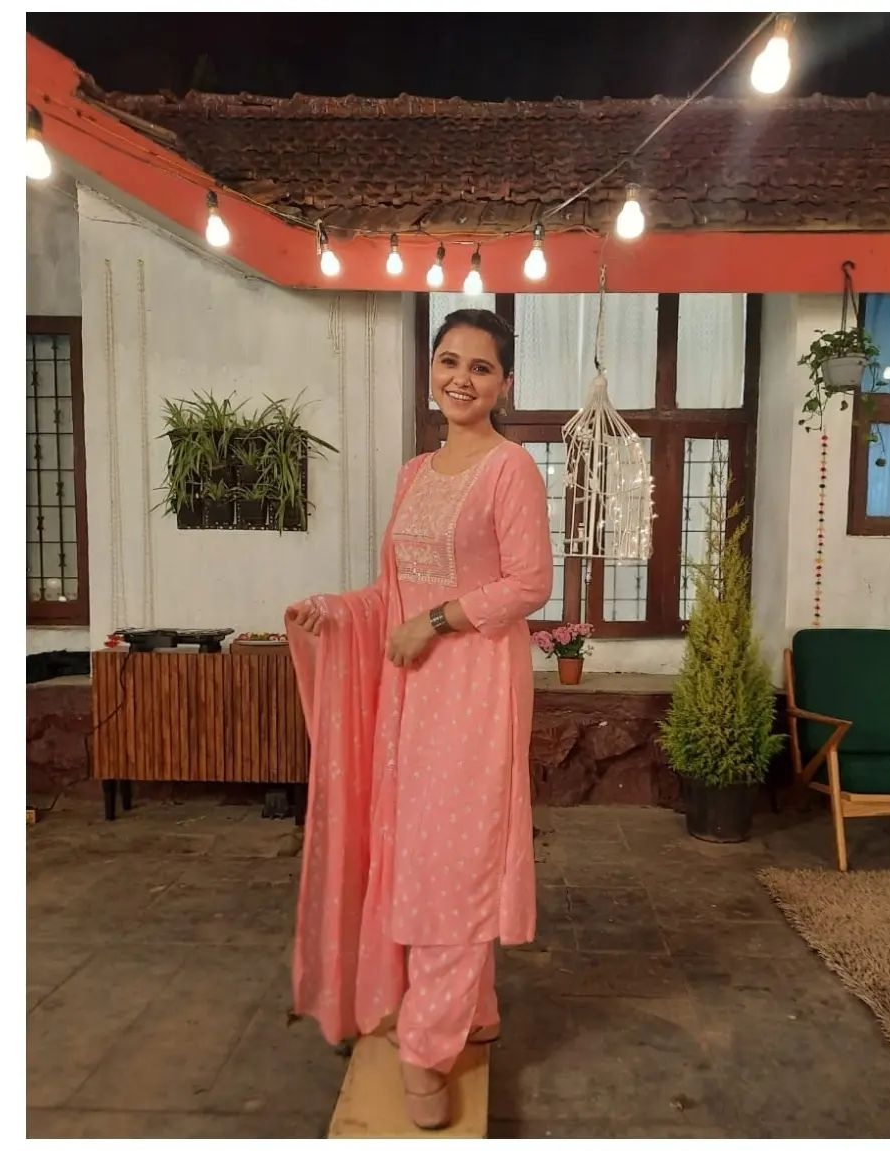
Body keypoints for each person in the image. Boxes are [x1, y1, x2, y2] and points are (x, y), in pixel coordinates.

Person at [284, 308, 553, 1130]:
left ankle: (427, 1049)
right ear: (431, 370)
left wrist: (434, 623)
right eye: (448, 361)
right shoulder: (413, 473)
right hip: (410, 695)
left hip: (474, 692)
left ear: (504, 384)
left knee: (454, 860)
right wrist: (339, 610)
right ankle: (472, 1010)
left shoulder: (510, 469)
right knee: (418, 853)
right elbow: (392, 591)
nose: (460, 378)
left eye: (480, 366)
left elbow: (529, 583)